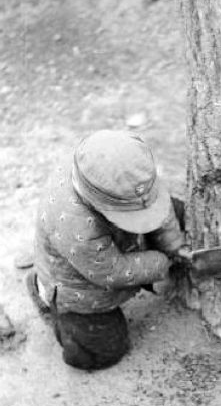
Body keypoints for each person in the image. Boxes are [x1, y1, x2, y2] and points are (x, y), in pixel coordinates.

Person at [26, 129, 189, 370]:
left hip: (114, 243)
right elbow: (111, 272)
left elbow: (161, 209)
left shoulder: (132, 175)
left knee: (177, 209)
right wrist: (164, 261)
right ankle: (47, 297)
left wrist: (176, 245)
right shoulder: (75, 224)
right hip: (81, 288)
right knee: (105, 350)